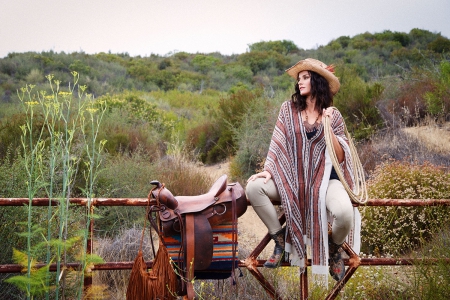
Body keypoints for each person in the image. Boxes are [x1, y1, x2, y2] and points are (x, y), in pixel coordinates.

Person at [246, 58, 361, 282]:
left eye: (305, 77)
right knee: (253, 187)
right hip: (292, 179)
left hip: (327, 181)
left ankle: (334, 249)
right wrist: (269, 169)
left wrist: (327, 127)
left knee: (345, 213)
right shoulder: (288, 110)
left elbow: (340, 156)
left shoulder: (333, 115)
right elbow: (277, 143)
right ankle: (280, 240)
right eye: (299, 79)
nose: (300, 82)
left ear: (317, 81)